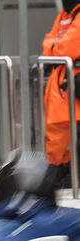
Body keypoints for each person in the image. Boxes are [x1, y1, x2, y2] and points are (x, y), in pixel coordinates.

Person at [43, 0, 80, 184]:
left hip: (72, 84)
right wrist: (54, 47)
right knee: (57, 134)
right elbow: (47, 44)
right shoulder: (64, 15)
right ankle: (62, 174)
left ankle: (68, 176)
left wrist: (54, 47)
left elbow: (68, 48)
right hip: (61, 86)